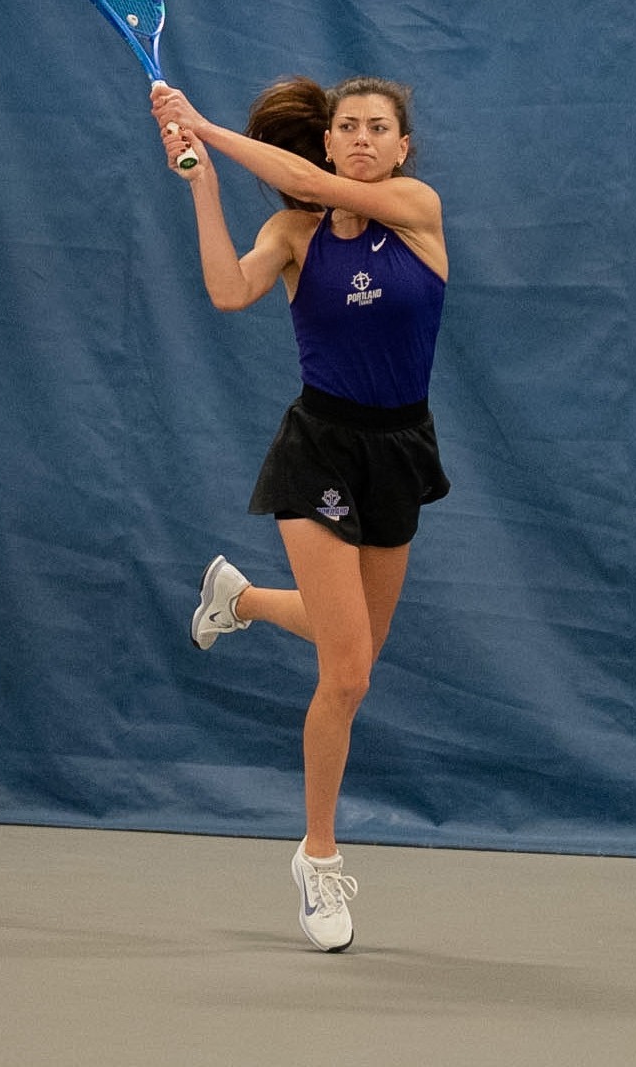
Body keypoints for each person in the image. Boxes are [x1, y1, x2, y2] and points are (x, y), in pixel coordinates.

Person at [151, 75, 450, 952]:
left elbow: (325, 191)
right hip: (319, 445)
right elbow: (225, 291)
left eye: (377, 129)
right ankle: (316, 859)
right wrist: (204, 181)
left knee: (348, 640)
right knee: (347, 672)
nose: (359, 138)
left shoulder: (417, 212)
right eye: (345, 127)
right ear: (324, 141)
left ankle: (237, 600)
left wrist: (202, 120)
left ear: (400, 149)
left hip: (398, 450)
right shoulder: (292, 233)